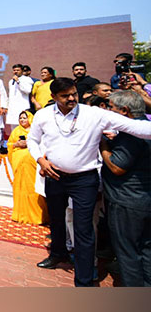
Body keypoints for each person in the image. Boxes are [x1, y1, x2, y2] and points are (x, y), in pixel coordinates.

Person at [27, 77, 151, 287]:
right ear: (53, 97)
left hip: (84, 180)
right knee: (56, 220)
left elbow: (137, 128)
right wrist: (40, 159)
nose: (72, 98)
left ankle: (84, 281)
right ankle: (58, 254)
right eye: (65, 96)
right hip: (54, 177)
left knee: (83, 229)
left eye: (74, 93)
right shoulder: (43, 114)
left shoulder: (94, 114)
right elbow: (32, 139)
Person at [99, 90, 151, 286]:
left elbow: (117, 166)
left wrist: (103, 144)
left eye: (111, 108)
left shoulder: (132, 133)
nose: (108, 112)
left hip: (127, 202)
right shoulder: (146, 127)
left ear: (124, 111)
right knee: (146, 249)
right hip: (144, 198)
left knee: (128, 251)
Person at [7, 110, 48, 225]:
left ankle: (37, 216)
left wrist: (28, 144)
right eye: (20, 118)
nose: (22, 120)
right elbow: (10, 145)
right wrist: (16, 145)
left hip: (32, 165)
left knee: (33, 189)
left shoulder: (36, 131)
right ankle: (20, 214)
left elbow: (42, 144)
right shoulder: (16, 131)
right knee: (20, 188)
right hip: (20, 165)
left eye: (25, 118)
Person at [6, 64, 34, 132]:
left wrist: (18, 82)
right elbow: (10, 95)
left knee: (23, 127)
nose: (16, 72)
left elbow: (27, 90)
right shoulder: (11, 81)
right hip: (12, 108)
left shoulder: (27, 79)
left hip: (22, 107)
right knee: (14, 129)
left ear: (21, 71)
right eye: (14, 70)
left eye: (18, 70)